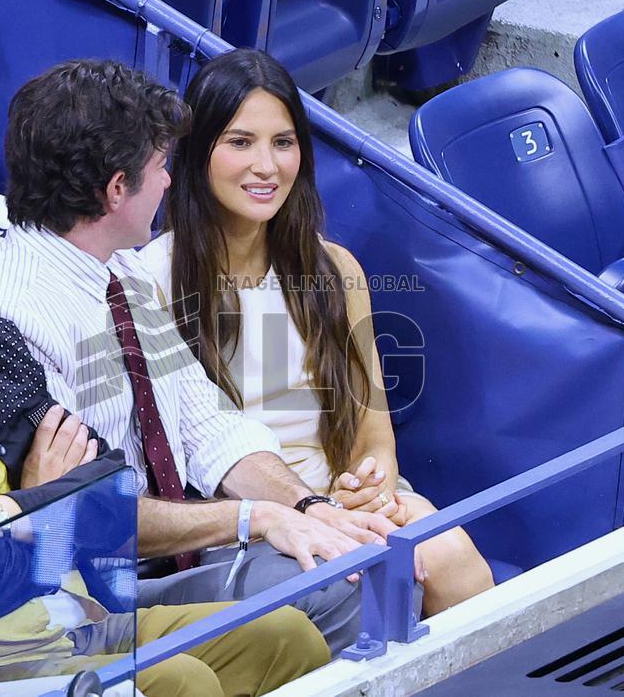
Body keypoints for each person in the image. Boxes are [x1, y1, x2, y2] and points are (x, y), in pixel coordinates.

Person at [0, 142, 329, 696]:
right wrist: (49, 501)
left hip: (74, 618)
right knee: (177, 683)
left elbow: (113, 491)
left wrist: (5, 510)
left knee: (286, 636)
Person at [0, 58, 418, 654]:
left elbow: (207, 426)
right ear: (115, 190)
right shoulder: (14, 311)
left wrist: (309, 507)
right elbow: (86, 508)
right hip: (94, 591)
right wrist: (256, 518)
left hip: (165, 561)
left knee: (362, 562)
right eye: (160, 166)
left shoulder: (119, 269)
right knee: (346, 581)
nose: (168, 181)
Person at [139, 48, 495, 615]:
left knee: (448, 555)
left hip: (342, 497)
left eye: (283, 142)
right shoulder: (150, 282)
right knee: (380, 576)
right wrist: (315, 511)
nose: (267, 166)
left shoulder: (335, 269)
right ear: (198, 151)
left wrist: (370, 485)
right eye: (239, 142)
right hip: (250, 525)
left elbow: (371, 426)